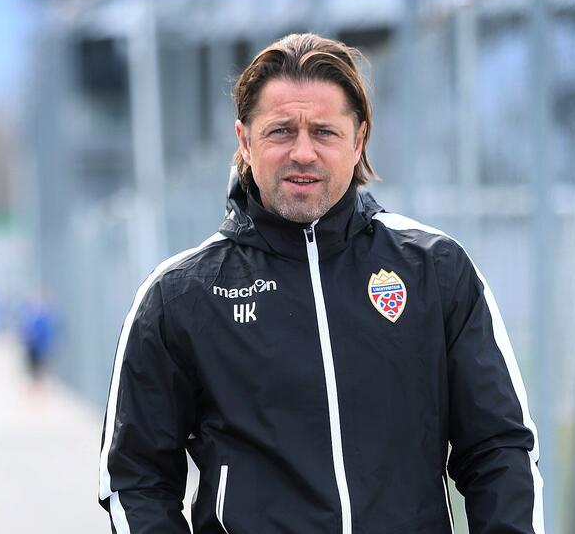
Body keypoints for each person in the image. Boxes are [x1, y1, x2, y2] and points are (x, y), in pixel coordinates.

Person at [99, 34, 543, 534]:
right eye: (281, 131)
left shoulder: (435, 270)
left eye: (324, 132)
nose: (303, 152)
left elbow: (498, 448)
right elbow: (134, 480)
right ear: (245, 142)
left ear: (358, 140)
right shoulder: (179, 295)